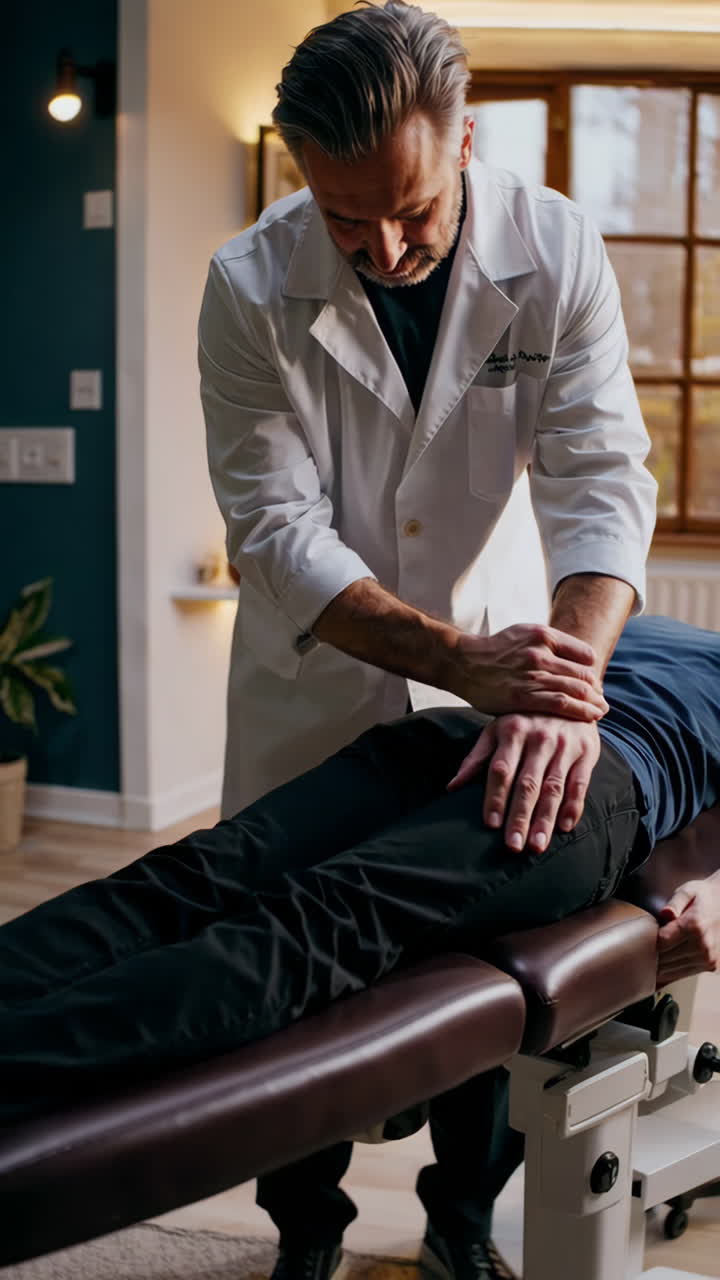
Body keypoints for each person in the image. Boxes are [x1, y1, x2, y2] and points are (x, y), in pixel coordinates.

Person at [198, 2, 657, 1272]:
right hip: (319, 679)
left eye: (410, 209)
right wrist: (446, 655)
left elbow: (601, 478)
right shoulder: (249, 286)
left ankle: (459, 1228)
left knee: (485, 944)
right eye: (344, 218)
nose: (383, 247)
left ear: (463, 144)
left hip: (512, 650)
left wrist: (561, 679)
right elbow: (275, 528)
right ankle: (306, 1236)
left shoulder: (553, 245)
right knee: (288, 967)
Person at [0, 617, 718, 1280]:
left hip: (451, 734)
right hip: (567, 790)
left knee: (183, 882)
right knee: (307, 934)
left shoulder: (637, 624)